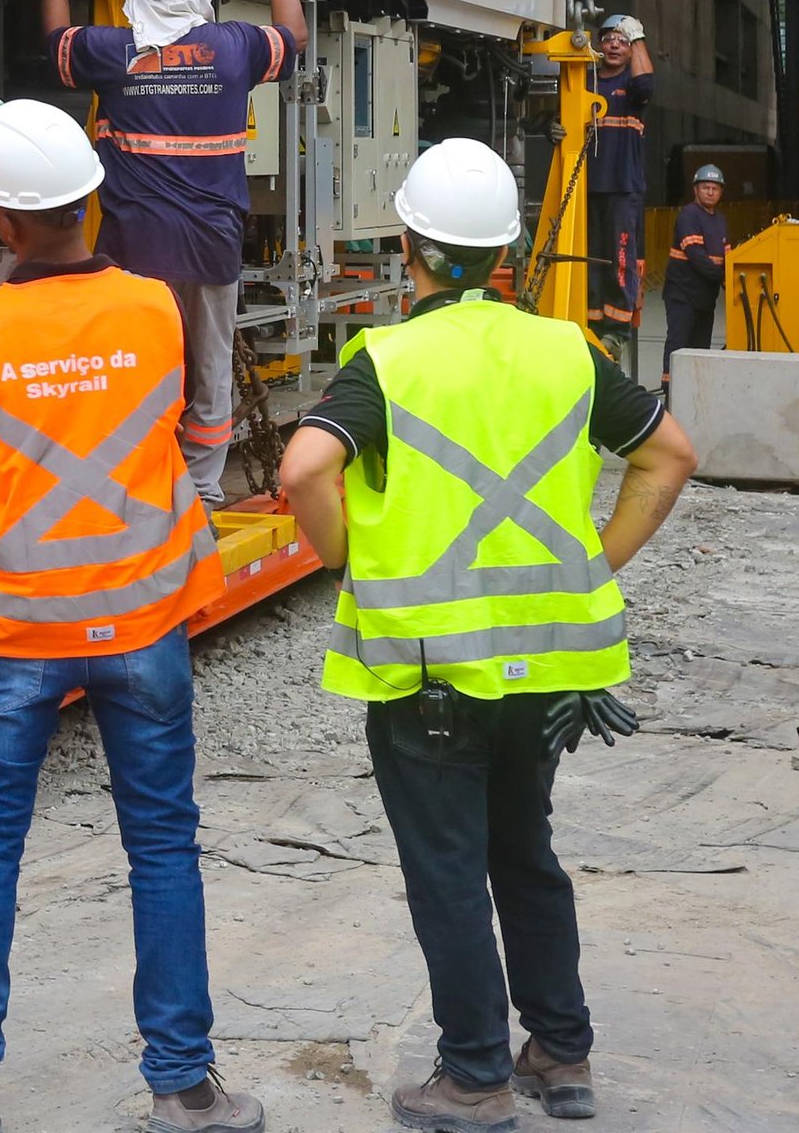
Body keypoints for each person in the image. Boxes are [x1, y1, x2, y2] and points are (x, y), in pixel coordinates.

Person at [278, 138, 701, 1131]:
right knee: (526, 855)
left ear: (411, 245)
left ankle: (472, 1075)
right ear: (506, 252)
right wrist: (596, 561)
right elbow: (669, 456)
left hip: (428, 676)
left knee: (449, 873)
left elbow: (303, 473)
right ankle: (560, 1052)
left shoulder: (385, 361)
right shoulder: (567, 351)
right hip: (551, 671)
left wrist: (346, 562)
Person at [0, 100, 258, 1133]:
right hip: (142, 621)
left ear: (0, 223)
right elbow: (191, 415)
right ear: (90, 201)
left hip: (17, 628)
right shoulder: (155, 306)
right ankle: (184, 1087)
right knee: (161, 847)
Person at [41, 0, 307, 508]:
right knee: (208, 370)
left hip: (133, 249)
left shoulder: (112, 51)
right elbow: (295, 35)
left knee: (135, 370)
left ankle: (135, 485)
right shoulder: (234, 48)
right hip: (211, 246)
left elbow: (56, 38)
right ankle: (203, 493)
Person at [584, 14, 653, 349]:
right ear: (599, 45)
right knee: (590, 258)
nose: (614, 44)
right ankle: (591, 322)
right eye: (609, 38)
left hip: (623, 188)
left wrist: (637, 36)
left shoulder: (633, 87)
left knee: (619, 258)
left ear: (631, 51)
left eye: (622, 41)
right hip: (588, 186)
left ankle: (617, 329)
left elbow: (646, 86)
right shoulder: (585, 83)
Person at [661, 163, 730, 387]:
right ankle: (671, 389)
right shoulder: (689, 215)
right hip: (683, 294)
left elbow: (727, 256)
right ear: (695, 190)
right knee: (678, 345)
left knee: (700, 349)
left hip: (704, 299)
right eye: (705, 187)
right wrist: (721, 277)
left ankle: (695, 390)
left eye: (715, 188)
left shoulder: (720, 221)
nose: (710, 192)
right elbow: (696, 255)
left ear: (720, 192)